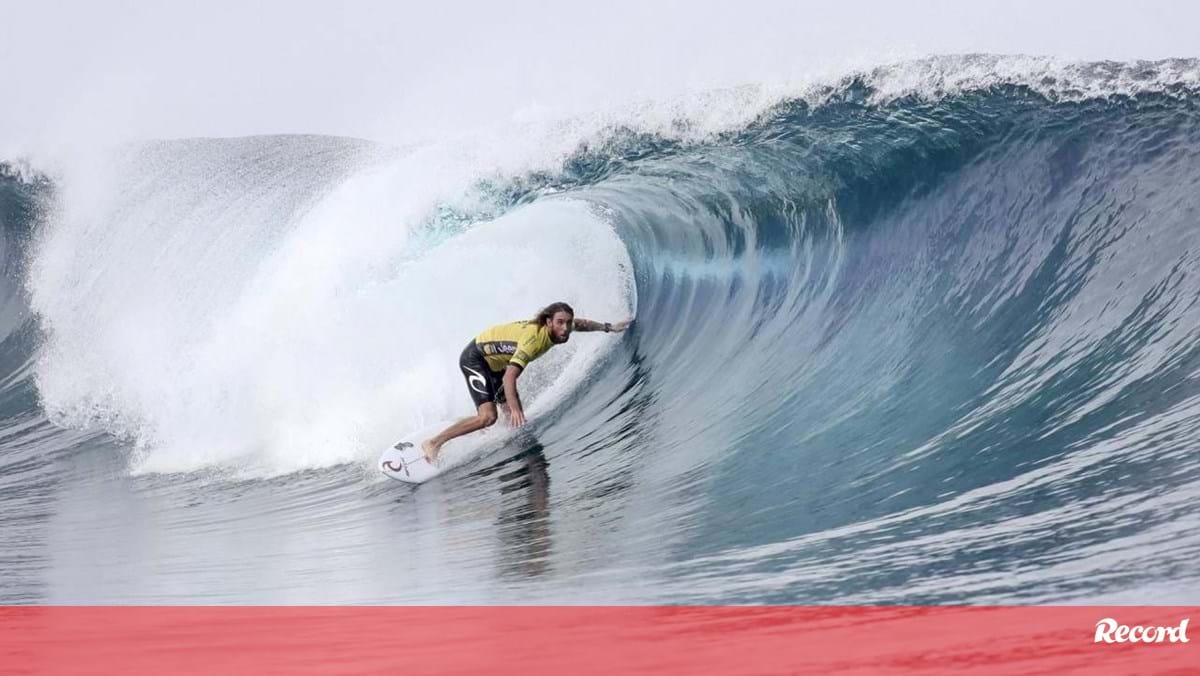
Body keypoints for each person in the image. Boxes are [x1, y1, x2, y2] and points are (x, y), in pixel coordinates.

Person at [422, 302, 631, 463]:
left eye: (568, 322)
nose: (566, 328)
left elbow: (581, 324)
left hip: (496, 363)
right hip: (476, 359)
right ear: (549, 321)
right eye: (560, 323)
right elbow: (509, 377)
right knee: (489, 417)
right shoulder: (532, 342)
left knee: (505, 420)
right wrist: (515, 409)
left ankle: (468, 424)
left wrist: (609, 327)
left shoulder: (560, 327)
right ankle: (433, 443)